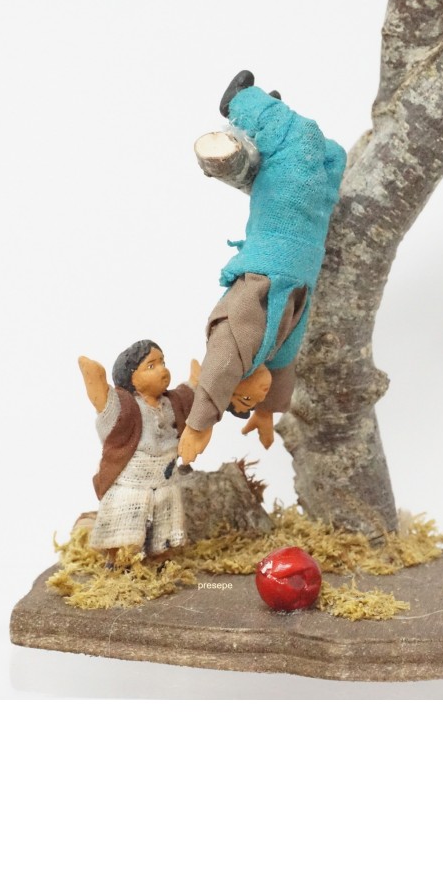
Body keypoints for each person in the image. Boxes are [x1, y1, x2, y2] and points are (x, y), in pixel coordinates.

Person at [179, 72, 346, 465]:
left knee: (305, 138)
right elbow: (285, 365)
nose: (253, 396)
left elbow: (219, 365)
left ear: (235, 384)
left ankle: (243, 103)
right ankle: (265, 129)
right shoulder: (270, 348)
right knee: (332, 157)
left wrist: (199, 425)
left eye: (244, 399)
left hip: (279, 238)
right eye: (250, 403)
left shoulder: (241, 333)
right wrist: (267, 411)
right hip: (307, 245)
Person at [78, 340, 194, 563]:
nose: (162, 370)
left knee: (165, 526)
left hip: (165, 481)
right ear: (130, 377)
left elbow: (189, 395)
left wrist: (196, 382)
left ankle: (162, 557)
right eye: (151, 366)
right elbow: (104, 401)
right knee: (123, 526)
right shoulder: (125, 406)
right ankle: (115, 559)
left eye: (162, 362)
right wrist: (96, 378)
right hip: (132, 485)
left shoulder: (171, 402)